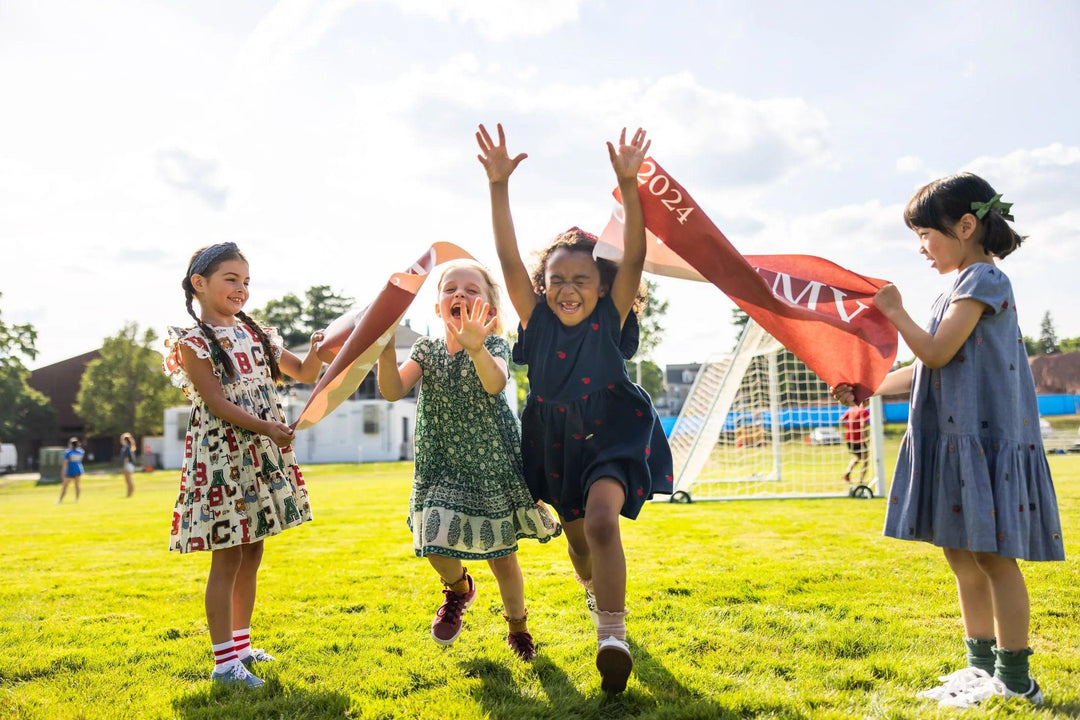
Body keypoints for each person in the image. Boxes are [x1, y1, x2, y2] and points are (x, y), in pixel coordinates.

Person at [832, 173, 1064, 708]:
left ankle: (1016, 679)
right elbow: (925, 367)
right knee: (961, 556)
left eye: (925, 235)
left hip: (984, 440)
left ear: (964, 226)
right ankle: (980, 668)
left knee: (993, 558)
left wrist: (895, 312)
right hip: (953, 440)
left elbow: (935, 352)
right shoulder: (955, 288)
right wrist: (867, 387)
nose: (921, 248)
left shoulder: (984, 279)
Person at [477, 123, 673, 693]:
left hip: (611, 429)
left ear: (601, 285)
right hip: (553, 437)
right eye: (556, 279)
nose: (568, 288)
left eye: (581, 279)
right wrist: (498, 185)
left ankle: (613, 637)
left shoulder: (609, 319)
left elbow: (633, 256)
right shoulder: (536, 321)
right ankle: (593, 591)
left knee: (604, 522)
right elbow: (507, 257)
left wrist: (629, 185)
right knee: (580, 541)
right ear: (542, 286)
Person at [376, 260, 561, 661]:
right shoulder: (426, 350)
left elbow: (495, 383)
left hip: (489, 462)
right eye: (450, 289)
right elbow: (391, 390)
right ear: (438, 306)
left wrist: (476, 347)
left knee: (501, 556)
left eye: (471, 290)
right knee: (432, 539)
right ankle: (459, 588)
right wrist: (385, 350)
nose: (459, 294)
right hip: (441, 461)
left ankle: (518, 627)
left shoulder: (494, 346)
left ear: (489, 311)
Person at [164, 242, 325, 687]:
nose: (241, 289)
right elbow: (216, 403)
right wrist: (267, 427)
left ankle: (241, 645)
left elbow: (303, 372)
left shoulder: (258, 334)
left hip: (258, 452)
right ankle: (224, 665)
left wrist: (316, 350)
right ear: (199, 284)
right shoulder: (193, 342)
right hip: (223, 456)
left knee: (253, 548)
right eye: (231, 279)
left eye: (246, 281)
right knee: (228, 553)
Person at [839, 402, 870, 485]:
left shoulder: (852, 409)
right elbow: (862, 425)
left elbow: (841, 419)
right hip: (859, 439)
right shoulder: (864, 411)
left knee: (857, 457)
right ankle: (861, 480)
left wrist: (848, 427)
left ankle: (847, 474)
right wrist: (865, 437)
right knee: (865, 460)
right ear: (867, 401)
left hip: (849, 439)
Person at [56, 437, 84, 503]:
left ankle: (60, 499)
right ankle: (77, 499)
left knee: (65, 485)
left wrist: (63, 472)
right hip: (78, 469)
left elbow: (65, 463)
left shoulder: (68, 452)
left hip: (70, 470)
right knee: (77, 485)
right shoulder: (81, 451)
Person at [119, 432, 136, 497]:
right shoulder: (127, 447)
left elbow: (126, 458)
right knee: (128, 480)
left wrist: (124, 467)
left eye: (122, 439)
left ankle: (130, 493)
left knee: (128, 480)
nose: (120, 441)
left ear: (125, 440)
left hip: (128, 465)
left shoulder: (126, 447)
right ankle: (129, 493)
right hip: (129, 465)